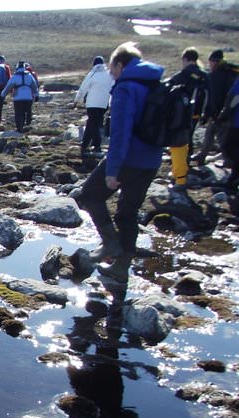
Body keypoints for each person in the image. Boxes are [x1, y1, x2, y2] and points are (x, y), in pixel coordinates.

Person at [74, 42, 164, 284]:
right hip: (152, 160)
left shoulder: (126, 88)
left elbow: (120, 133)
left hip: (128, 158)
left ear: (120, 65)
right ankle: (121, 267)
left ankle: (111, 244)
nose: (111, 74)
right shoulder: (155, 84)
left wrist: (112, 171)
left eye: (113, 69)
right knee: (128, 212)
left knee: (90, 195)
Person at [167, 48, 208, 190]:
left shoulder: (182, 75)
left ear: (185, 59)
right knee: (187, 139)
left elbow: (168, 88)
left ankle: (180, 176)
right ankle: (185, 167)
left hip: (181, 114)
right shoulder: (204, 76)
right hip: (197, 113)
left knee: (179, 143)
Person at [193, 49, 238, 166]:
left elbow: (214, 97)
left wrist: (210, 114)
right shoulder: (231, 72)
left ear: (213, 61)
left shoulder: (215, 75)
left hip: (221, 112)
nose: (209, 64)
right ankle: (202, 155)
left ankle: (228, 162)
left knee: (222, 139)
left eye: (210, 61)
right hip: (229, 111)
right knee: (211, 133)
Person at [74, 56, 113, 157]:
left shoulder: (92, 74)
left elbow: (83, 88)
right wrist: (111, 102)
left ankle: (96, 144)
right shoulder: (109, 75)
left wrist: (76, 100)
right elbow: (113, 88)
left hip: (92, 103)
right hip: (104, 104)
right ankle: (86, 144)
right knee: (94, 122)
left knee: (93, 122)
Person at [0, 61, 38, 133]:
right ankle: (27, 125)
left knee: (18, 113)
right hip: (28, 97)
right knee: (27, 111)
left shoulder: (14, 77)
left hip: (18, 98)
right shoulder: (29, 76)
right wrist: (36, 95)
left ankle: (19, 128)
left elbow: (8, 87)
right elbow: (34, 86)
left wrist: (3, 95)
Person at [220, 76, 239, 194]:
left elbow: (234, 98)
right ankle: (234, 178)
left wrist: (224, 114)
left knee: (227, 146)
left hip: (237, 123)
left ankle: (234, 178)